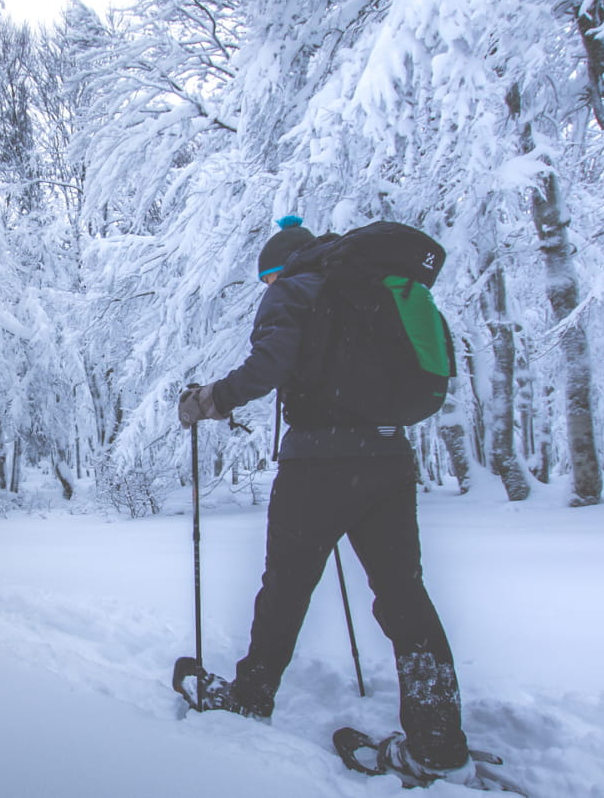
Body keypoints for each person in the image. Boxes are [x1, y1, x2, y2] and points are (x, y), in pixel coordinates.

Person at [176, 215, 475, 784]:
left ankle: (251, 696)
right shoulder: (373, 286)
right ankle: (439, 745)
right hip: (388, 459)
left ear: (279, 269)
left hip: (319, 464)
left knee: (285, 588)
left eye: (267, 280)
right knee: (404, 596)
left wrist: (210, 399)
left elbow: (268, 365)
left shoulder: (295, 287)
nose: (268, 289)